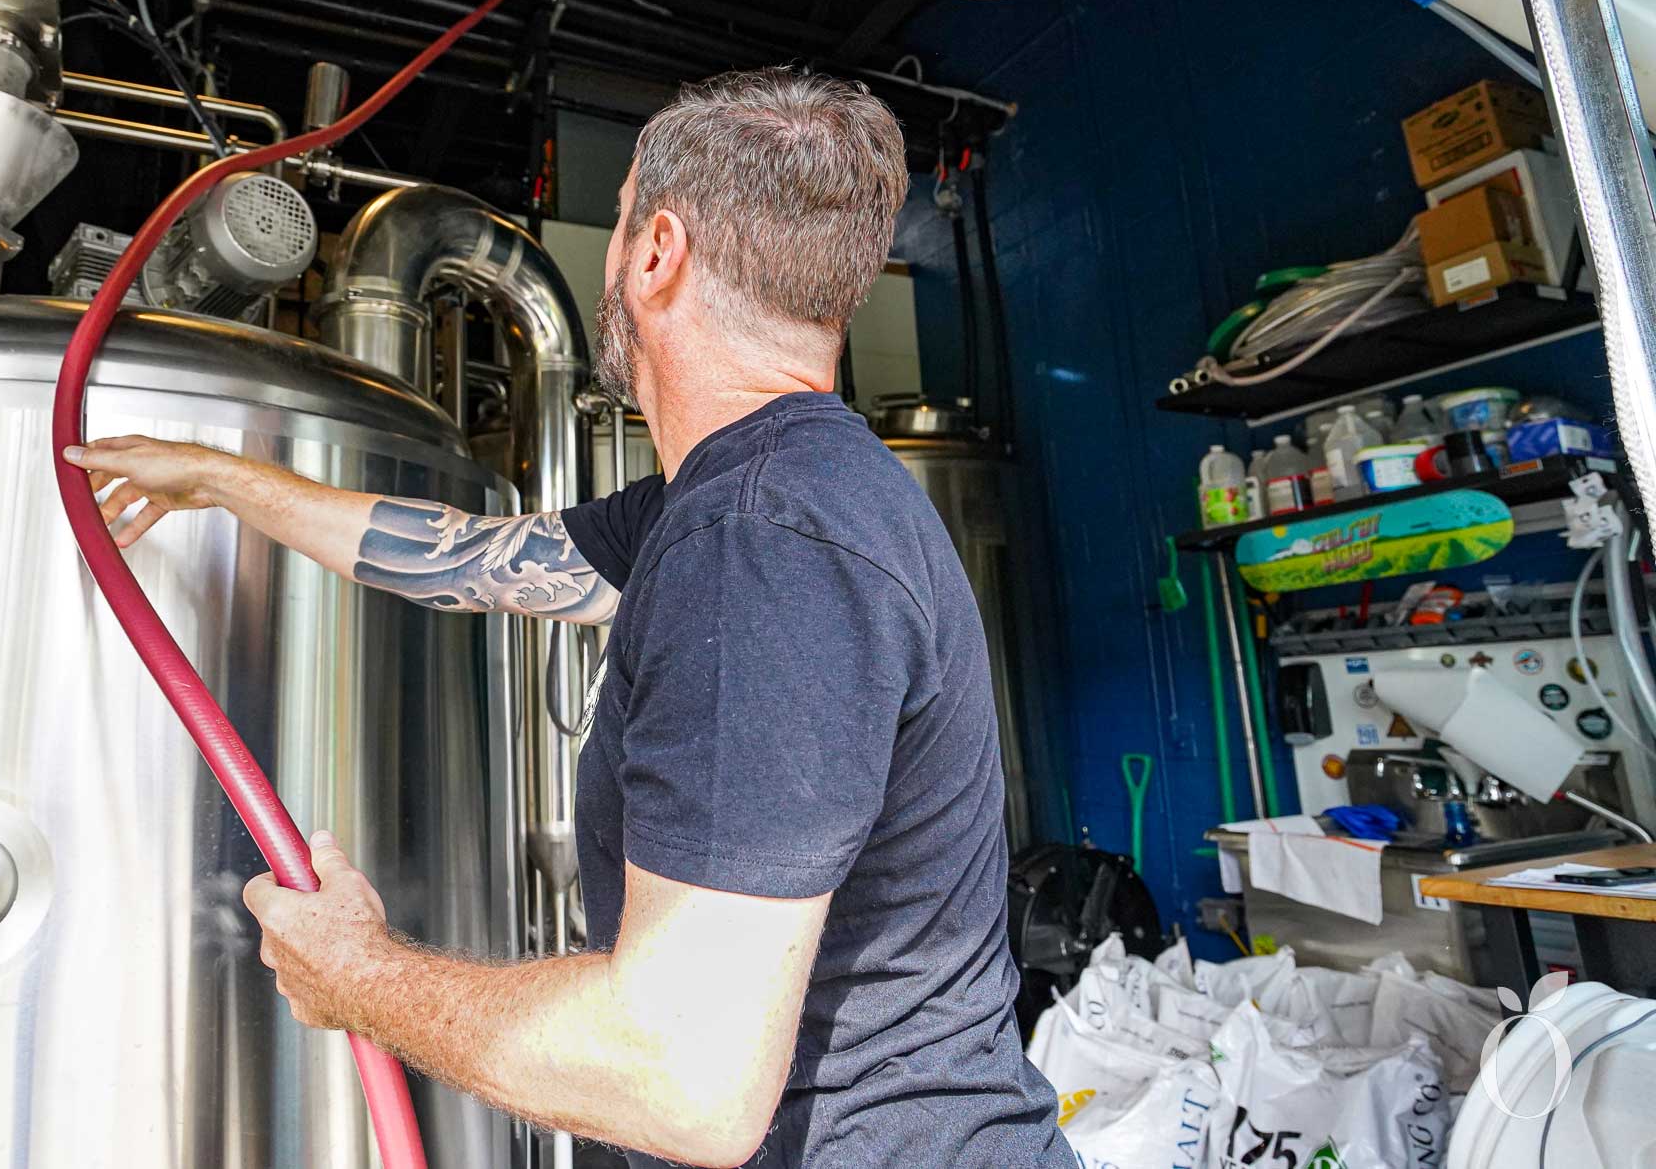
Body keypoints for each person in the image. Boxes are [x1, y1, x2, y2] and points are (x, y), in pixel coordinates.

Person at [63, 68, 1068, 1167]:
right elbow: (474, 562)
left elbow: (683, 1083)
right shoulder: (746, 499)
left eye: (622, 215)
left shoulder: (763, 540)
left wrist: (355, 976)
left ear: (654, 253)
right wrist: (221, 477)